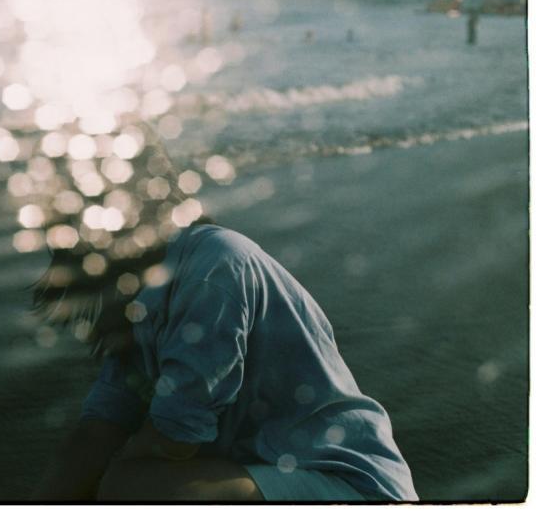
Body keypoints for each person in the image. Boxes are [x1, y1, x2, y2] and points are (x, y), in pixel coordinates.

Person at [28, 126, 417, 502]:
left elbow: (174, 440)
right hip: (268, 473)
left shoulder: (213, 269)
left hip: (348, 486)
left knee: (129, 488)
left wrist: (100, 487)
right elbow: (101, 427)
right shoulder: (139, 293)